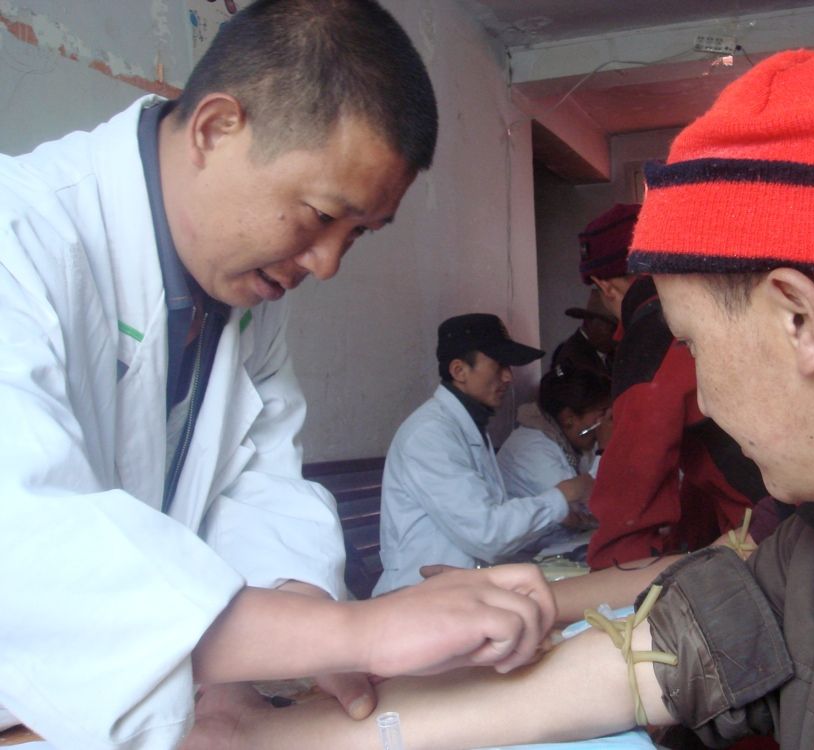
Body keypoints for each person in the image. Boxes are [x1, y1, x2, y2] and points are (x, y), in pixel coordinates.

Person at [180, 48, 814, 750]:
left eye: (696, 346)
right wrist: (266, 734)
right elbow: (655, 654)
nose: (703, 401)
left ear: (798, 319)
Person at [0, 2, 559, 748]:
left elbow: (258, 484)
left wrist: (299, 626)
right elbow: (27, 547)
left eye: (355, 235)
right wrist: (350, 631)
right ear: (216, 129)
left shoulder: (244, 301)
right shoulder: (21, 240)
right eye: (320, 214)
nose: (325, 263)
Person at [580, 204, 771, 569]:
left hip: (766, 540)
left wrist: (610, 575)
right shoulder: (726, 303)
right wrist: (689, 541)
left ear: (605, 286)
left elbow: (632, 485)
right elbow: (709, 456)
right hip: (786, 525)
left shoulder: (652, 336)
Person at [373, 313, 594, 594]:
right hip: (421, 597)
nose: (508, 376)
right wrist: (563, 494)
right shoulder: (429, 435)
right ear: (459, 370)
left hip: (461, 588)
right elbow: (487, 534)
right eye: (499, 364)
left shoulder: (466, 426)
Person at [497, 365, 612, 551]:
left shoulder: (570, 442)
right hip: (527, 557)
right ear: (569, 418)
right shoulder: (533, 448)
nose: (604, 425)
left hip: (555, 548)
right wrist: (605, 450)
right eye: (601, 415)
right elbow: (589, 506)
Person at [550, 288, 617, 377]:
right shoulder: (572, 359)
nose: (616, 336)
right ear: (589, 322)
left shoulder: (610, 356)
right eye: (611, 329)